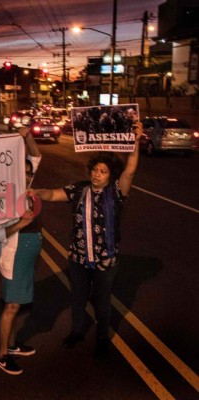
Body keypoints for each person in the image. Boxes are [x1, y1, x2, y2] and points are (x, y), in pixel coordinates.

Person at [27, 121, 143, 359]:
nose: (97, 175)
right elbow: (54, 194)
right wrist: (36, 192)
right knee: (78, 298)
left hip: (104, 260)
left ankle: (102, 338)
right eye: (94, 170)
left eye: (103, 172)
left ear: (111, 176)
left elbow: (130, 169)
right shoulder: (80, 189)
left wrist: (136, 142)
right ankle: (77, 332)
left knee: (101, 301)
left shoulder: (117, 193)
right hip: (78, 258)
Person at [0, 127, 42, 375]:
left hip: (29, 250)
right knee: (11, 305)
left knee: (18, 304)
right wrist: (22, 223)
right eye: (24, 171)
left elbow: (36, 155)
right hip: (14, 253)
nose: (28, 175)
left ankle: (11, 345)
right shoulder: (1, 197)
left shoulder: (26, 187)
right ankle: (1, 354)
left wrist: (27, 135)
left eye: (29, 172)